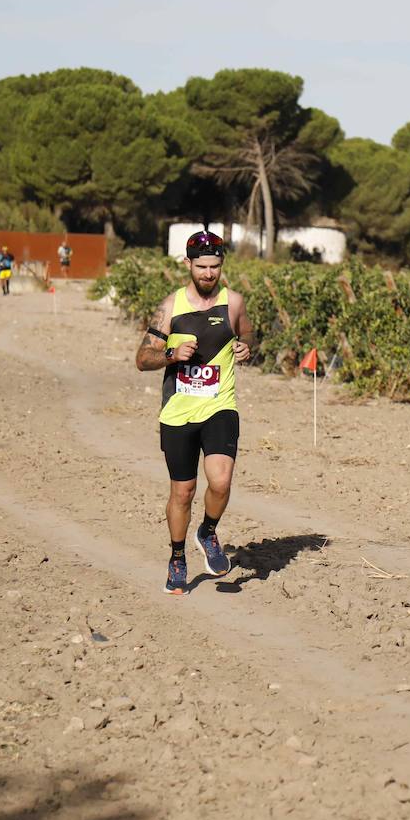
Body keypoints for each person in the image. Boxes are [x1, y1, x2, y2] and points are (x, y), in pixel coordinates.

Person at [134, 231, 254, 595]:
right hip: (177, 411)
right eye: (201, 266)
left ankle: (209, 531)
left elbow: (248, 335)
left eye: (214, 267)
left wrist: (246, 348)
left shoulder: (233, 302)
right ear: (187, 264)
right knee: (183, 492)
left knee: (220, 481)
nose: (208, 273)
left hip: (220, 405)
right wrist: (171, 355)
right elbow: (142, 359)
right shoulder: (170, 307)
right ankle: (177, 556)